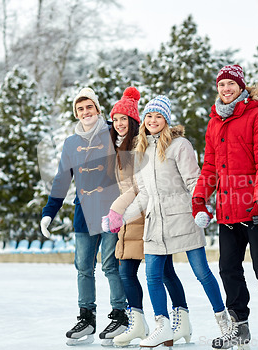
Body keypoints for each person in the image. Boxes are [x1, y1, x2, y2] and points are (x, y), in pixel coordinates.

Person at [112, 95, 230, 348]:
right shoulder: (139, 151)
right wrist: (124, 216)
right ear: (143, 120)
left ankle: (225, 322)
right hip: (156, 222)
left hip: (183, 218)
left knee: (202, 273)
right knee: (153, 275)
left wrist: (202, 207)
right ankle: (162, 327)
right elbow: (143, 194)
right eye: (149, 116)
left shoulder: (179, 145)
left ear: (166, 120)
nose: (153, 120)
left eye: (158, 116)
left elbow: (193, 180)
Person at [192, 64, 258, 350]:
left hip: (255, 210)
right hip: (227, 210)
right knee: (228, 269)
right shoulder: (214, 122)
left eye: (231, 84)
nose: (226, 89)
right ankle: (239, 326)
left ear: (241, 86)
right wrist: (200, 198)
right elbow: (210, 165)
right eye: (222, 85)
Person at [101, 87, 195, 347]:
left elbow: (139, 187)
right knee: (129, 272)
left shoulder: (140, 144)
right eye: (115, 118)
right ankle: (141, 322)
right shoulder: (120, 147)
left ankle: (175, 321)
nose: (119, 124)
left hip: (146, 214)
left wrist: (118, 210)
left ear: (134, 121)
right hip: (129, 215)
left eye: (124, 119)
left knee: (162, 272)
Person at [39, 87, 128, 346]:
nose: (85, 112)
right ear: (76, 114)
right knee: (83, 268)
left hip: (112, 211)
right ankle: (87, 319)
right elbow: (61, 180)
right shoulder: (71, 142)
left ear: (98, 109)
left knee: (111, 265)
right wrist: (49, 213)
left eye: (89, 107)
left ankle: (120, 317)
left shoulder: (113, 132)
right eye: (80, 109)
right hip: (83, 214)